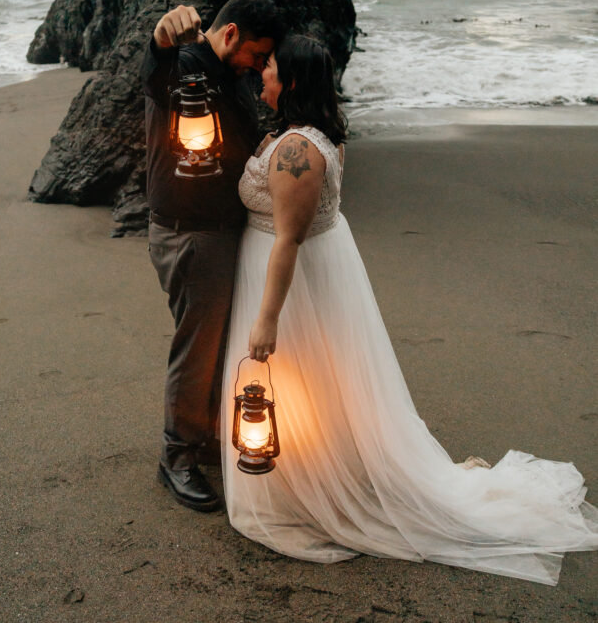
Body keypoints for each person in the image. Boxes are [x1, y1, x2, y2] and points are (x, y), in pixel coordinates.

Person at [221, 33, 598, 583]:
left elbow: (288, 240)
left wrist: (266, 318)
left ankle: (312, 489)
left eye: (271, 68)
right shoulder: (312, 135)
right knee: (322, 385)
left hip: (290, 283)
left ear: (294, 80)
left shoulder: (296, 150)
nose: (263, 76)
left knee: (299, 383)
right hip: (317, 271)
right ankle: (319, 469)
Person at [142, 0, 283, 512]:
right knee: (197, 347)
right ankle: (175, 458)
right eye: (256, 54)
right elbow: (155, 75)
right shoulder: (184, 66)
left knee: (216, 342)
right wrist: (161, 36)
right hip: (191, 232)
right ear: (230, 36)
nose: (259, 65)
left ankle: (200, 441)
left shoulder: (232, 77)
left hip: (220, 230)